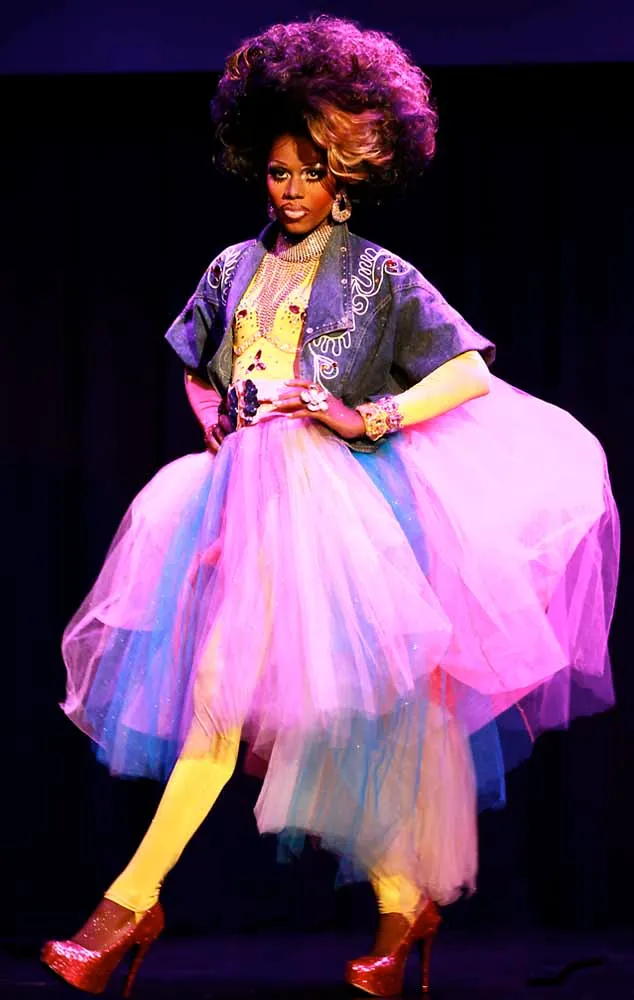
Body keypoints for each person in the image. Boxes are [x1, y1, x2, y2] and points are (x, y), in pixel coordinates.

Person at [41, 15, 619, 998]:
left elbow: (468, 373)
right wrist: (220, 423)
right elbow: (196, 364)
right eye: (279, 172)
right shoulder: (231, 267)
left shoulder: (378, 276)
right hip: (238, 505)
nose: (293, 189)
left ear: (345, 177)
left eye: (312, 172)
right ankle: (382, 908)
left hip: (334, 516)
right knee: (263, 716)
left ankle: (147, 910)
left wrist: (365, 416)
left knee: (300, 716)